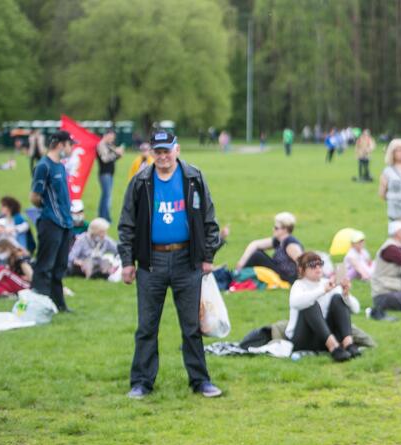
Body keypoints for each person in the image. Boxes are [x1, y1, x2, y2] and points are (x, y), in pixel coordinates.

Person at [118, 130, 222, 399]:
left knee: (191, 326)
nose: (163, 156)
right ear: (152, 152)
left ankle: (200, 380)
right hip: (150, 261)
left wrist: (208, 256)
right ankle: (141, 381)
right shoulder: (141, 181)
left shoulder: (193, 178)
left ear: (177, 149)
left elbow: (209, 219)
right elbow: (127, 224)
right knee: (147, 326)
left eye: (167, 151)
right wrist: (127, 262)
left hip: (187, 260)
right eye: (158, 151)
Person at [30, 130, 75, 313]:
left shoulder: (61, 166)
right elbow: (34, 196)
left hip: (65, 223)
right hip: (50, 223)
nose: (72, 149)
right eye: (70, 144)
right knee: (45, 266)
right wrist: (50, 210)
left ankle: (59, 305)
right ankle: (39, 305)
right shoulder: (43, 166)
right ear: (60, 144)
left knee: (60, 267)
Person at [287, 252, 361, 362]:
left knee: (337, 298)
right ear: (302, 269)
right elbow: (294, 302)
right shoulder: (299, 285)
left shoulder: (328, 283)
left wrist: (346, 295)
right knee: (310, 304)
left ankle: (348, 344)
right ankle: (334, 348)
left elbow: (356, 309)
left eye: (320, 263)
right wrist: (322, 291)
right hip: (303, 338)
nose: (318, 267)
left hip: (324, 336)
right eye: (312, 265)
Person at [236, 212, 303, 284]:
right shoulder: (279, 240)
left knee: (257, 256)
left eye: (276, 228)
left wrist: (301, 282)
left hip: (287, 277)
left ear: (285, 229)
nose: (273, 229)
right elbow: (255, 244)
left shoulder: (290, 244)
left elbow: (302, 262)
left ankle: (237, 277)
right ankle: (239, 275)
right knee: (257, 252)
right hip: (280, 271)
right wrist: (241, 262)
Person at [96, 129, 124, 222]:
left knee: (107, 196)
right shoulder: (101, 145)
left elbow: (113, 157)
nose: (112, 139)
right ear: (106, 135)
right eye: (111, 137)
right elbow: (105, 159)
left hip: (109, 174)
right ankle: (103, 217)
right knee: (106, 196)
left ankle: (105, 216)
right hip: (104, 174)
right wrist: (116, 153)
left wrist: (118, 154)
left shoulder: (109, 145)